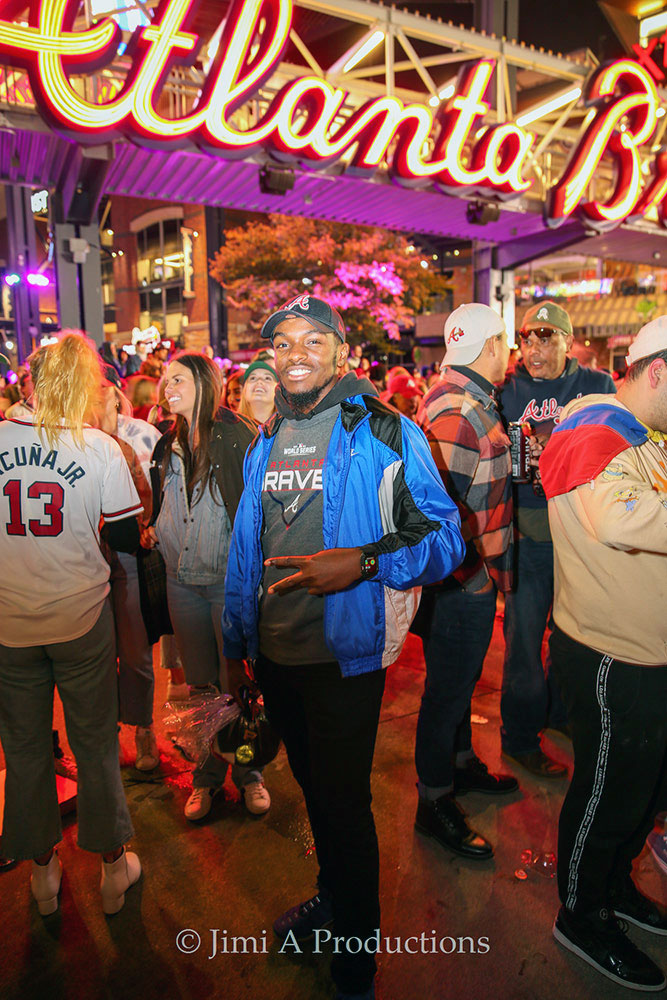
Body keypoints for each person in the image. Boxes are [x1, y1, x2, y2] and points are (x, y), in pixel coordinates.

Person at [222, 293, 465, 1000]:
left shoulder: (384, 430)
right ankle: (332, 904)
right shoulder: (267, 433)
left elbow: (443, 538)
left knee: (344, 807)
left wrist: (360, 560)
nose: (295, 353)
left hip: (341, 658)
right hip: (275, 656)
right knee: (316, 795)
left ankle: (356, 959)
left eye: (313, 340)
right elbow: (251, 547)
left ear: (340, 353)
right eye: (282, 342)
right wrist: (240, 643)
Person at [539, 316, 667, 992]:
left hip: (647, 650)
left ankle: (614, 888)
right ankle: (580, 912)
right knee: (606, 794)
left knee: (641, 791)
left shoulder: (644, 433)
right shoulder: (596, 425)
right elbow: (618, 518)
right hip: (611, 655)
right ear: (657, 371)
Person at [0, 332, 142, 915]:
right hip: (81, 618)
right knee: (94, 743)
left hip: (10, 625)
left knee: (26, 748)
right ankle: (112, 869)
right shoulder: (99, 447)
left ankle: (43, 872)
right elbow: (128, 535)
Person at [143, 351, 269, 820]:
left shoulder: (236, 435)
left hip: (225, 584)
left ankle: (249, 771)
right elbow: (163, 505)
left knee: (237, 684)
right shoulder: (166, 444)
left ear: (202, 382)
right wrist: (154, 526)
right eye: (164, 379)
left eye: (176, 378)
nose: (165, 386)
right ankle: (206, 776)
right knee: (200, 687)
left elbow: (252, 511)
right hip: (181, 584)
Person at [414, 303, 518, 861]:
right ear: (490, 345)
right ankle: (434, 801)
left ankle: (458, 766)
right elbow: (437, 520)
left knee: (455, 688)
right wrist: (474, 578)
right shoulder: (459, 407)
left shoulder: (462, 396)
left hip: (464, 582)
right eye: (506, 342)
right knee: (446, 694)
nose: (512, 353)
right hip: (460, 587)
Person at [498, 301, 616, 778]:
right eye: (527, 337)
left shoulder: (596, 385)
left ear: (569, 341)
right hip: (529, 537)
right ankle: (521, 737)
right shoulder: (504, 389)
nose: (534, 347)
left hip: (583, 534)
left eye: (546, 337)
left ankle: (560, 714)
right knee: (523, 641)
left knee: (574, 638)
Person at [96, 381, 162, 771]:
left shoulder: (123, 446)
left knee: (135, 651)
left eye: (105, 401)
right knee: (96, 656)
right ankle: (105, 736)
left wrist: (140, 529)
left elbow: (144, 499)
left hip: (124, 559)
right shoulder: (71, 442)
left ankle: (142, 728)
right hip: (85, 563)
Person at [239, 359, 278, 425]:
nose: (259, 381)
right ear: (245, 390)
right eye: (253, 378)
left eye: (267, 378)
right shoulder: (230, 428)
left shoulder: (288, 429)